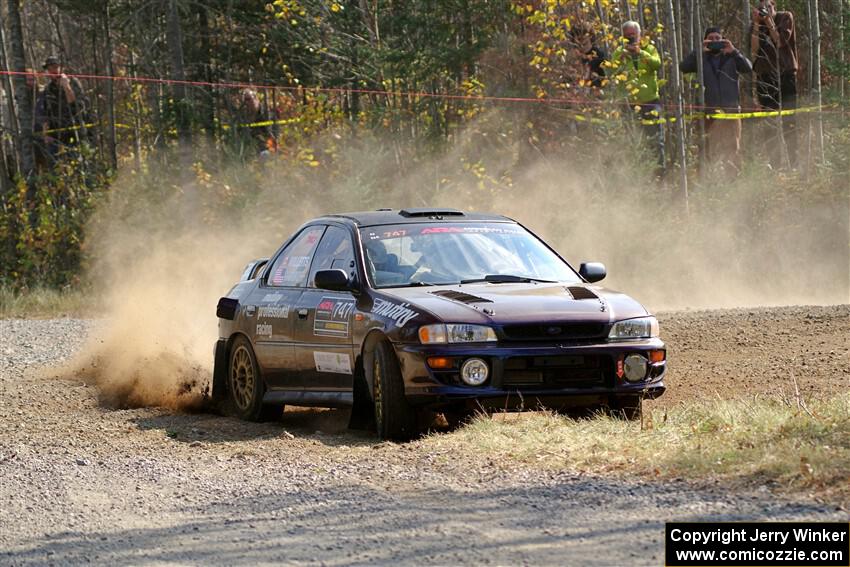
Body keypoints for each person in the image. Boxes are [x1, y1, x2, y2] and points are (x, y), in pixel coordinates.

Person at [680, 27, 753, 176]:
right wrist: (699, 51)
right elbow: (683, 67)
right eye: (711, 38)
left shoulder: (731, 56)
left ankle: (734, 178)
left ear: (723, 40)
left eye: (717, 38)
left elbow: (748, 68)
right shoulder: (701, 58)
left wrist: (734, 51)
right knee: (706, 145)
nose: (714, 41)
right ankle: (707, 178)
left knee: (733, 146)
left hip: (731, 108)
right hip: (708, 109)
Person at [609, 21, 665, 176]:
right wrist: (622, 55)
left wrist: (640, 52)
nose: (630, 39)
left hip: (650, 102)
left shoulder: (650, 49)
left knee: (655, 140)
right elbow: (611, 70)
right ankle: (634, 175)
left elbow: (657, 64)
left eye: (633, 35)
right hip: (628, 104)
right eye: (627, 36)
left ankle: (659, 176)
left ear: (640, 35)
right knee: (631, 140)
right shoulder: (620, 51)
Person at [750, 0, 798, 168]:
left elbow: (780, 42)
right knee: (769, 123)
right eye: (761, 7)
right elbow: (754, 51)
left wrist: (769, 20)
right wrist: (757, 24)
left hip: (785, 74)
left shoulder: (785, 17)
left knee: (789, 120)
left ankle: (794, 163)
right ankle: (775, 165)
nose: (765, 10)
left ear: (774, 5)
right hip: (764, 77)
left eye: (768, 6)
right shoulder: (757, 24)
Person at [36, 56, 90, 162]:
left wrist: (66, 87)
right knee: (56, 167)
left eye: (55, 67)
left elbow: (78, 107)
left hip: (75, 131)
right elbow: (46, 113)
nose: (53, 71)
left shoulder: (73, 82)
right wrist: (46, 134)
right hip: (56, 136)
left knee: (80, 163)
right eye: (50, 68)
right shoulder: (48, 89)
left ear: (61, 68)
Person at [236, 89, 274, 160]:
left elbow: (273, 132)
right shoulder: (242, 115)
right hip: (248, 150)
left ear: (255, 98)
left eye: (248, 99)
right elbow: (238, 132)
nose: (246, 103)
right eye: (244, 100)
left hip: (266, 148)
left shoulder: (266, 113)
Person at [570, 22, 607, 89]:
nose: (581, 46)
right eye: (578, 43)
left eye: (585, 43)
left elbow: (604, 82)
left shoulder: (600, 56)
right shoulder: (571, 57)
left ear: (591, 38)